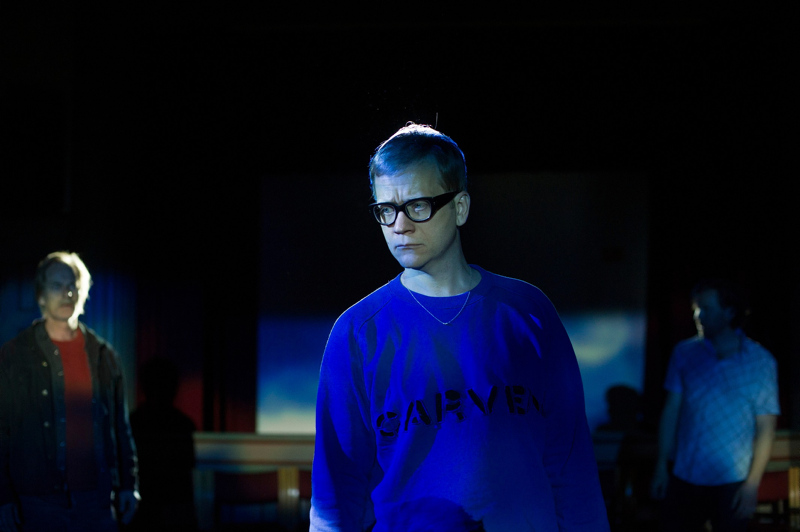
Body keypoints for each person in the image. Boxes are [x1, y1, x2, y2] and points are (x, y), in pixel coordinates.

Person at [310, 123, 609, 531]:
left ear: (461, 207)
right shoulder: (358, 333)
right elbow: (335, 494)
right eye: (386, 210)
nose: (400, 225)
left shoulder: (530, 312)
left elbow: (572, 467)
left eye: (417, 205)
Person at [0, 251, 139, 532]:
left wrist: (128, 484)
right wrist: (3, 496)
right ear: (41, 295)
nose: (67, 293)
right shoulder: (16, 355)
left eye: (72, 285)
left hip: (97, 499)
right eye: (56, 285)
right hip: (38, 502)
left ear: (83, 292)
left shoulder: (104, 355)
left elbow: (120, 427)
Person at [650, 279, 779, 531]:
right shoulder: (684, 353)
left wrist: (752, 484)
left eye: (706, 308)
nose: (698, 315)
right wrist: (661, 465)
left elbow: (766, 427)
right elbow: (671, 411)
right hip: (685, 474)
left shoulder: (761, 362)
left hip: (732, 480)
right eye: (696, 309)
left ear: (729, 312)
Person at [129, 357, 198, 532]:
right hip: (175, 509)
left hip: (143, 510)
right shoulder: (183, 424)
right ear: (173, 387)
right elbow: (189, 464)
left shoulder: (132, 423)